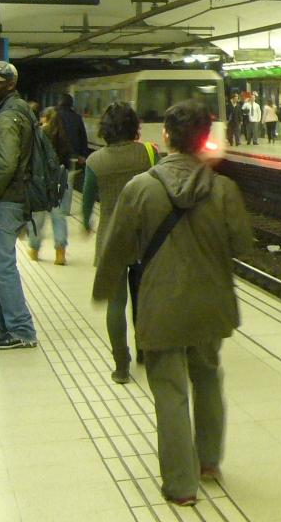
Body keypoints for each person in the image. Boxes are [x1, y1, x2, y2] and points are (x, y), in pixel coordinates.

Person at [92, 100, 254, 506]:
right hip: (211, 302)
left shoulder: (140, 188)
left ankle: (181, 487)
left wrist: (104, 288)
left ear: (165, 137)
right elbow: (241, 244)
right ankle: (209, 463)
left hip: (161, 303)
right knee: (208, 376)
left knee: (169, 390)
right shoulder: (223, 189)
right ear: (204, 138)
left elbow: (117, 249)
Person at [80, 101, 156, 384]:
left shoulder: (95, 161)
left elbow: (87, 201)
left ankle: (121, 366)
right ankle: (145, 351)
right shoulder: (148, 153)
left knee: (116, 304)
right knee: (143, 298)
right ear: (134, 126)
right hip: (143, 236)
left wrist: (86, 223)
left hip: (110, 238)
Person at [0, 60, 39, 350]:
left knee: (2, 268)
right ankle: (2, 325)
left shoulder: (7, 117)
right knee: (0, 266)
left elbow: (6, 164)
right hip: (15, 198)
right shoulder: (20, 109)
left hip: (4, 201)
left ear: (10, 85)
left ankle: (22, 330)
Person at [26, 106, 72, 265]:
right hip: (59, 182)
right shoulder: (63, 135)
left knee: (37, 218)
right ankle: (60, 253)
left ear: (45, 118)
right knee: (59, 217)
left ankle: (34, 249)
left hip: (40, 182)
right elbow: (66, 160)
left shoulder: (39, 134)